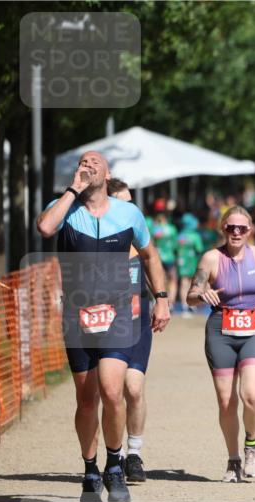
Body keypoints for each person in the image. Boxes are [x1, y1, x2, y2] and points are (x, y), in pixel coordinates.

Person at [35, 151, 171, 502]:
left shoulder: (128, 214)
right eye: (84, 162)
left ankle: (114, 465)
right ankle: (90, 469)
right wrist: (72, 189)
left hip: (119, 313)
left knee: (112, 391)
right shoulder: (65, 209)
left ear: (107, 174)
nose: (89, 165)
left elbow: (149, 255)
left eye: (96, 162)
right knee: (86, 400)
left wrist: (161, 298)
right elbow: (45, 228)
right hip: (77, 315)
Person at [186, 206, 255, 482]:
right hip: (220, 331)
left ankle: (252, 444)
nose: (236, 232)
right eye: (231, 227)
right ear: (222, 228)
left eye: (242, 228)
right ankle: (233, 459)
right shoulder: (211, 258)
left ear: (250, 230)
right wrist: (203, 295)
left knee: (252, 395)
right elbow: (190, 296)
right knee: (226, 401)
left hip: (254, 329)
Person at [105, 178, 153, 482]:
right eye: (123, 203)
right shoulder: (98, 239)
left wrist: (162, 300)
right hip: (106, 322)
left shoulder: (140, 236)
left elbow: (154, 266)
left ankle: (134, 453)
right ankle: (116, 454)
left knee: (133, 388)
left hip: (137, 319)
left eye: (131, 202)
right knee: (112, 392)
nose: (130, 209)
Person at [176, 213, 204, 318]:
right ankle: (191, 304)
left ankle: (184, 306)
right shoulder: (195, 236)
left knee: (183, 282)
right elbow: (199, 249)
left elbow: (175, 248)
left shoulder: (180, 235)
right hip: (193, 262)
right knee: (193, 283)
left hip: (181, 261)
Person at [150, 209, 178, 311]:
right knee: (173, 280)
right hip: (170, 257)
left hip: (158, 257)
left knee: (159, 280)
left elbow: (151, 244)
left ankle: (157, 301)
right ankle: (171, 303)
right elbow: (175, 245)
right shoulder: (172, 229)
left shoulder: (154, 229)